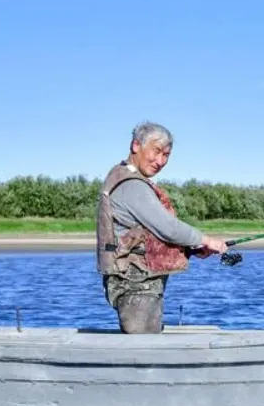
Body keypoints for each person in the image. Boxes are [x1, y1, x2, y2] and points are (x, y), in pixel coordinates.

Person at [95, 121, 228, 334]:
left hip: (139, 279)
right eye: (156, 151)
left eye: (166, 155)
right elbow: (168, 228)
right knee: (143, 343)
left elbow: (149, 234)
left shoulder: (127, 177)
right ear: (136, 146)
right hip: (135, 282)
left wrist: (192, 248)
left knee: (147, 337)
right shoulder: (131, 185)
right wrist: (207, 240)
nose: (160, 161)